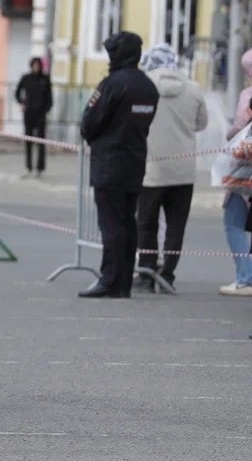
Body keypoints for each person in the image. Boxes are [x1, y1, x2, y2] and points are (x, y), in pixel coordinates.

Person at [77, 32, 158, 299]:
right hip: (135, 161)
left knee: (111, 224)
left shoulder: (112, 84)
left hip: (109, 163)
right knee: (127, 222)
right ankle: (122, 282)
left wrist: (93, 135)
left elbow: (90, 122)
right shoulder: (147, 86)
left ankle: (109, 279)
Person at [131, 45, 206, 292]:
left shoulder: (143, 87)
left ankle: (146, 272)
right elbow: (201, 123)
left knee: (146, 223)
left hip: (152, 169)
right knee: (176, 225)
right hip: (183, 171)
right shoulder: (193, 88)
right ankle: (169, 276)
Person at [219, 50, 252, 296]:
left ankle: (245, 277)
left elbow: (240, 126)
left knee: (233, 222)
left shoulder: (248, 95)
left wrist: (230, 133)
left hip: (245, 169)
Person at [15, 57, 53, 178]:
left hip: (41, 114)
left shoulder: (45, 79)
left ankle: (40, 168)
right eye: (34, 65)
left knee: (41, 141)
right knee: (28, 140)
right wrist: (22, 102)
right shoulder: (26, 78)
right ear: (31, 66)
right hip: (29, 113)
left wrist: (46, 109)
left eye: (38, 65)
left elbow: (49, 97)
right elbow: (17, 92)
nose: (36, 67)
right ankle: (28, 166)